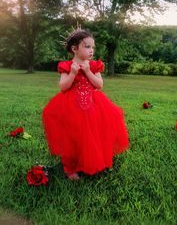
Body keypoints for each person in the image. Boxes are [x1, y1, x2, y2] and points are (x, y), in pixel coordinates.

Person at [42, 28, 129, 180]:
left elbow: (99, 85)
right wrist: (73, 73)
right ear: (75, 49)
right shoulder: (67, 66)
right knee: (73, 135)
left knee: (97, 132)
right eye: (87, 46)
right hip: (72, 105)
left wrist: (88, 72)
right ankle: (70, 168)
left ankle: (98, 159)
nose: (91, 50)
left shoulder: (94, 65)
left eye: (93, 47)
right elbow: (63, 87)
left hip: (93, 103)